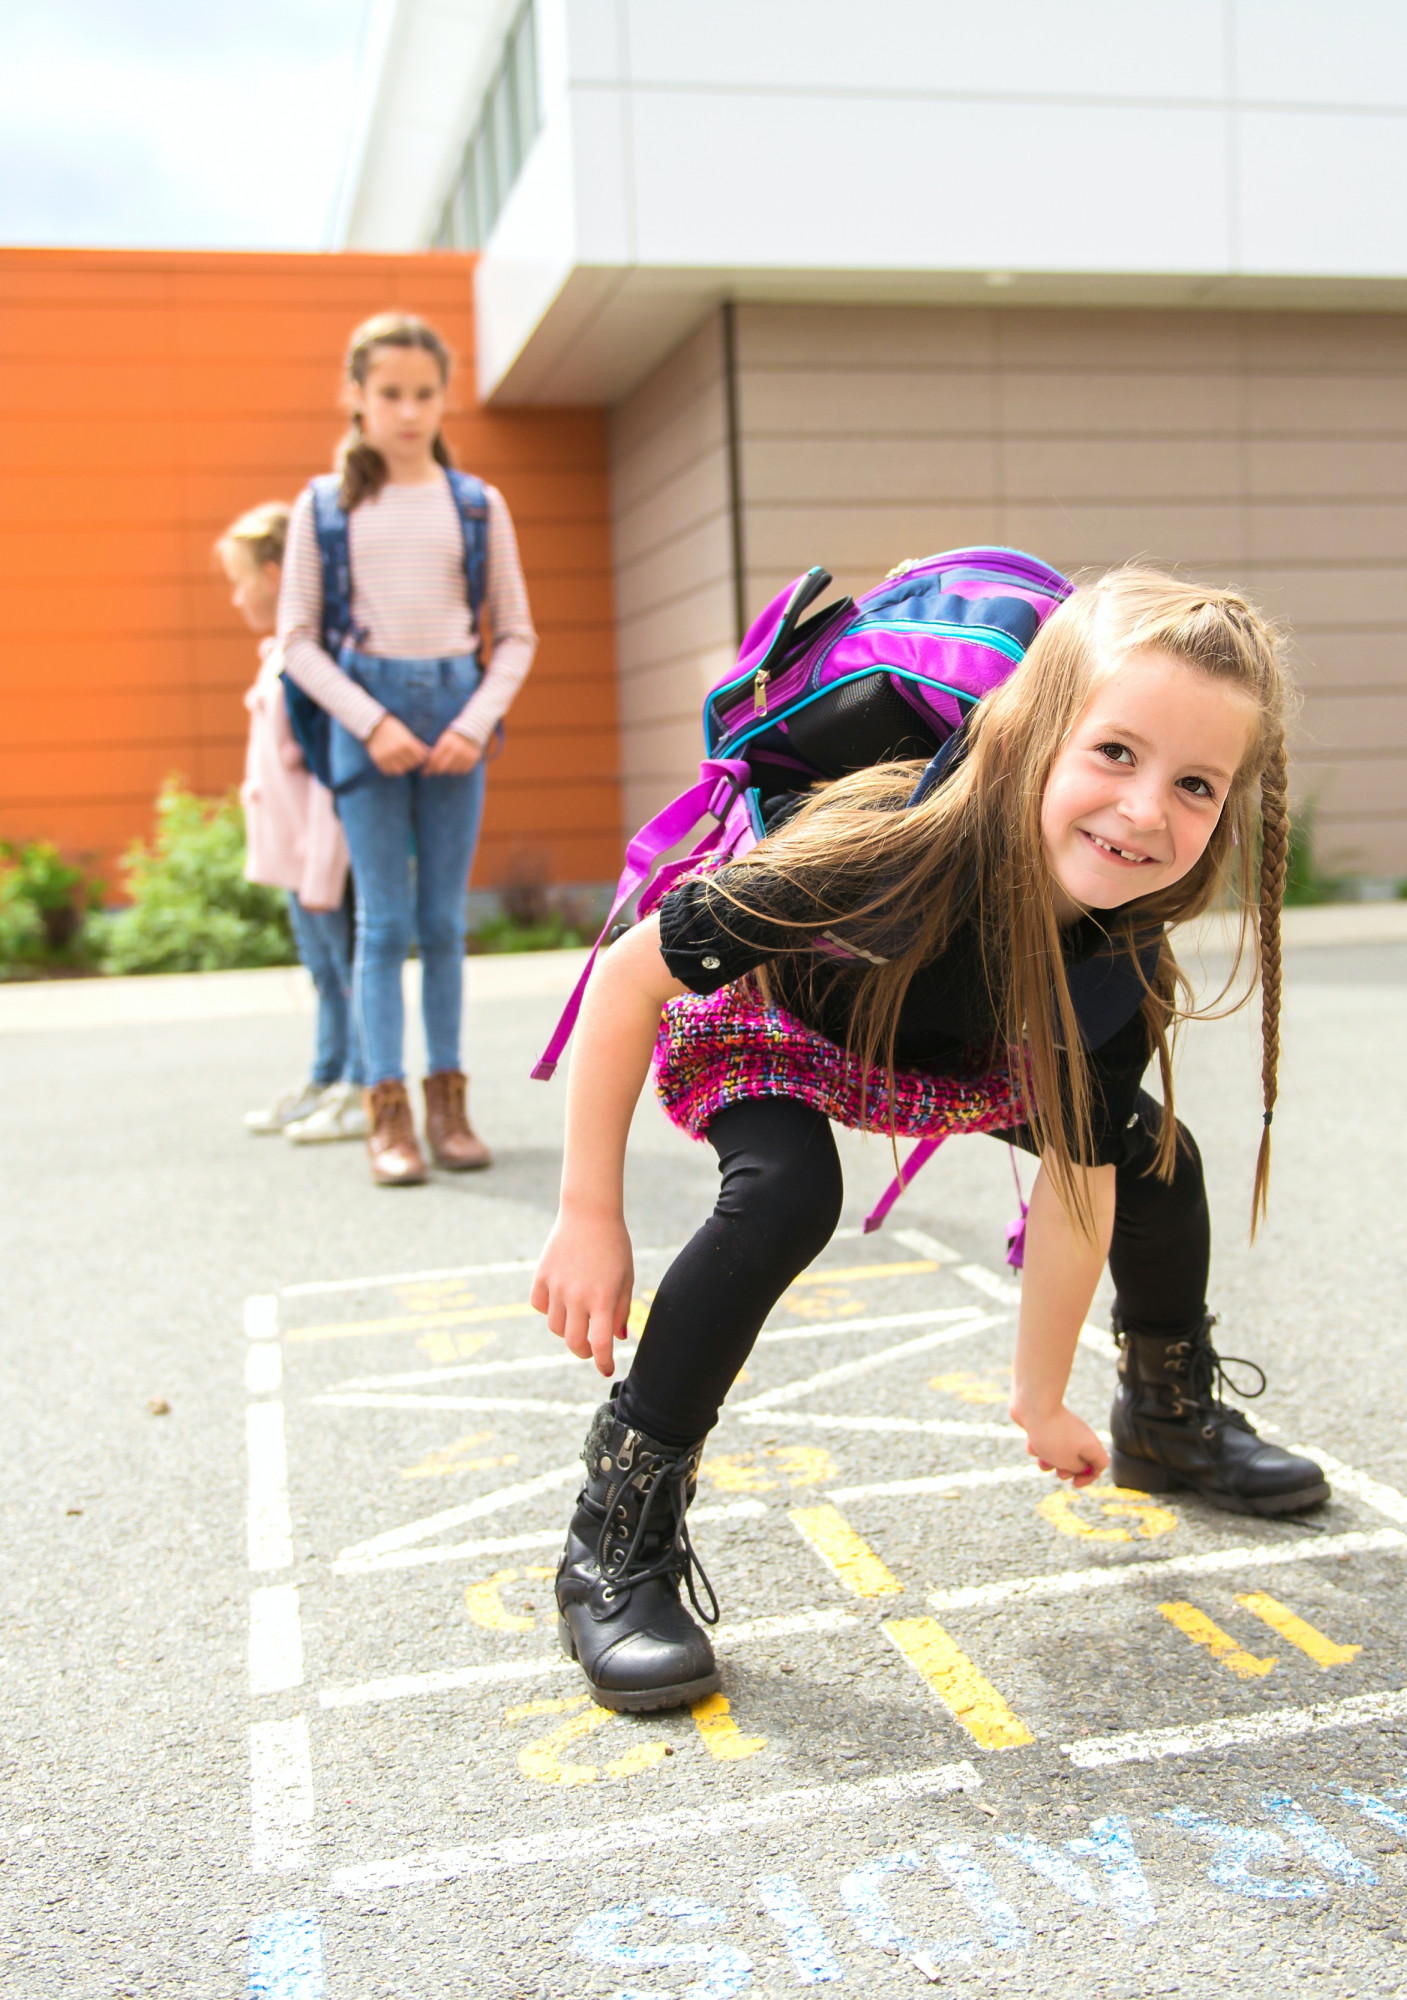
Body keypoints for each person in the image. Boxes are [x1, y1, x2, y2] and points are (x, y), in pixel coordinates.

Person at [530, 567, 1330, 1713]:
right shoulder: (873, 848)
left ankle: (1163, 1414)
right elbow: (626, 977)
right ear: (1032, 730)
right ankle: (613, 1537)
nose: (1145, 810)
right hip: (786, 1016)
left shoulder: (1114, 956)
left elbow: (1080, 1181)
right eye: (1114, 752)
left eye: (1194, 783)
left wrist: (1039, 1396)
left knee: (1155, 1157)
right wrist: (587, 1215)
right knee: (785, 1192)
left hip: (958, 1045)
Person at [276, 314, 537, 1185]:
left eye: (425, 393)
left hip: (457, 714)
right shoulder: (324, 507)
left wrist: (471, 723)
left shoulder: (477, 504)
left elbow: (516, 635)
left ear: (442, 397)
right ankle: (386, 1115)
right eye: (390, 393)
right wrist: (372, 723)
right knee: (382, 925)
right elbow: (297, 642)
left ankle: (449, 1110)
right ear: (357, 396)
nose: (409, 411)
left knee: (443, 925)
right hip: (368, 723)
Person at [222, 502, 368, 1144]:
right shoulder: (279, 655)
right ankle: (328, 1075)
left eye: (240, 581)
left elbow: (325, 772)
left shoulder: (306, 662)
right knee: (324, 974)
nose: (235, 598)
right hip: (294, 855)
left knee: (348, 971)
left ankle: (362, 1086)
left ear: (275, 574)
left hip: (320, 855)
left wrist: (322, 863)